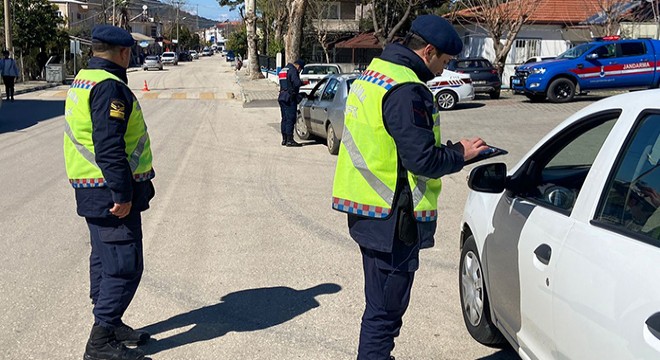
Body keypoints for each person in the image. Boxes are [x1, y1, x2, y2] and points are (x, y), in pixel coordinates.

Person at [331, 15, 490, 360]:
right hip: (394, 220)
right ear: (428, 51)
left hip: (368, 211)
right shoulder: (406, 88)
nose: (443, 70)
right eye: (444, 62)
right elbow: (422, 160)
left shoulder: (372, 75)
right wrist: (460, 152)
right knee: (384, 316)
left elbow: (393, 144)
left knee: (378, 308)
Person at [63, 25, 155, 360]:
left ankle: (111, 323)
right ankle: (100, 341)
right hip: (109, 193)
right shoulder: (109, 88)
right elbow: (109, 146)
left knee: (104, 260)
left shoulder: (85, 78)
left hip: (92, 190)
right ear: (124, 53)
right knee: (124, 266)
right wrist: (122, 193)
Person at [278, 58, 305, 147]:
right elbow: (296, 83)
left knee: (284, 118)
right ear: (299, 66)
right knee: (291, 118)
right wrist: (304, 83)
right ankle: (290, 140)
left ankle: (284, 139)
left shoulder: (283, 69)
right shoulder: (293, 70)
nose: (300, 71)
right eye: (300, 69)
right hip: (289, 98)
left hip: (282, 96)